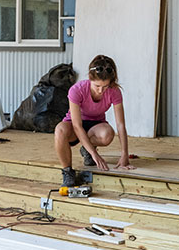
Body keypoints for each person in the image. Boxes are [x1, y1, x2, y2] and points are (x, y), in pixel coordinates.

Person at [54, 55, 131, 186]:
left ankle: (86, 149)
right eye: (97, 86)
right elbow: (77, 126)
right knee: (59, 130)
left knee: (107, 134)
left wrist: (125, 154)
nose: (101, 91)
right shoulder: (76, 90)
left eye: (105, 86)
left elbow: (120, 124)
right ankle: (67, 171)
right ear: (90, 78)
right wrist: (94, 154)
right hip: (74, 124)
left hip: (95, 125)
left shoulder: (115, 91)